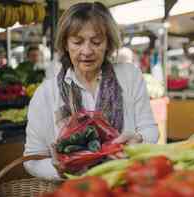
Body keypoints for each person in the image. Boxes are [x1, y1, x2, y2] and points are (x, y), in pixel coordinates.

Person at [23, 2, 159, 180]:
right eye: (77, 42)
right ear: (65, 43)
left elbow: (150, 129)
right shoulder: (46, 94)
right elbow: (32, 159)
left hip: (126, 182)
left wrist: (140, 140)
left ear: (108, 43)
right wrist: (62, 170)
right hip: (74, 189)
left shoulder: (129, 76)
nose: (87, 51)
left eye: (96, 42)